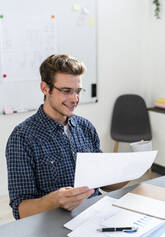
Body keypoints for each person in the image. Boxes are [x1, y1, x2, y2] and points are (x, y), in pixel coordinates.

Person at [6, 54, 127, 220]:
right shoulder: (22, 138)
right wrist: (54, 201)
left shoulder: (85, 127)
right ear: (44, 88)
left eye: (78, 91)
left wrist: (130, 170)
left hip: (95, 219)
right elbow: (21, 211)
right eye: (66, 91)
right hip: (51, 227)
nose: (74, 99)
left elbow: (104, 183)